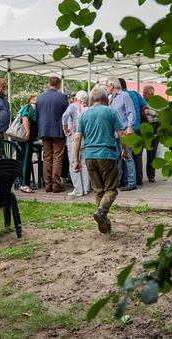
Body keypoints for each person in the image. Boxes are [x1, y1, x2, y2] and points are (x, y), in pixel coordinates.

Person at [72, 86, 128, 234]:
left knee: (98, 191)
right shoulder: (111, 112)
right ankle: (102, 212)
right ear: (105, 99)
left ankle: (103, 221)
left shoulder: (84, 115)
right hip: (107, 155)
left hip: (90, 156)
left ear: (91, 100)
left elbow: (77, 138)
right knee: (111, 189)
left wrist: (76, 160)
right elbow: (122, 134)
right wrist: (125, 151)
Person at [35, 76, 68, 193]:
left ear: (49, 84)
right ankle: (56, 185)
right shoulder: (62, 97)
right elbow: (66, 115)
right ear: (58, 85)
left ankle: (47, 185)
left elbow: (37, 116)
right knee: (57, 158)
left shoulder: (39, 98)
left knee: (47, 157)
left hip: (44, 131)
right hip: (58, 131)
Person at [104, 77, 136, 191]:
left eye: (107, 85)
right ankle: (118, 181)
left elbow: (131, 112)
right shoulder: (110, 98)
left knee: (127, 156)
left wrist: (130, 126)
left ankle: (132, 183)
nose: (106, 87)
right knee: (117, 157)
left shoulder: (124, 95)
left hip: (125, 131)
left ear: (112, 86)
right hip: (115, 133)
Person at [119, 78, 147, 186]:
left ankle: (127, 180)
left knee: (126, 155)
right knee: (137, 155)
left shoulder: (120, 96)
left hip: (126, 129)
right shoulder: (135, 93)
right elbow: (145, 106)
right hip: (137, 127)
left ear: (119, 85)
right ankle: (139, 179)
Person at [62, 90, 90, 197]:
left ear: (76, 98)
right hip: (85, 138)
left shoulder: (73, 106)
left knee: (74, 162)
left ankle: (78, 190)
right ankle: (86, 188)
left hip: (74, 138)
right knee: (84, 164)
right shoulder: (88, 109)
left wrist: (65, 129)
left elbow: (65, 116)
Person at [18, 95, 38, 193]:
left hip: (30, 139)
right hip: (26, 138)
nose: (36, 99)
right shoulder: (28, 107)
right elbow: (24, 118)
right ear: (29, 100)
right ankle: (23, 184)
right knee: (25, 160)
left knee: (27, 159)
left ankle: (26, 182)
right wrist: (27, 131)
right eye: (34, 98)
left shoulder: (35, 110)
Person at [142, 85, 160, 183]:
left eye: (145, 93)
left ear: (152, 94)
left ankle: (151, 175)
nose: (143, 94)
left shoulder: (157, 103)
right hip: (144, 128)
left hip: (154, 128)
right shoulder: (142, 102)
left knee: (151, 153)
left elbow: (161, 118)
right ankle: (139, 176)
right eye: (143, 92)